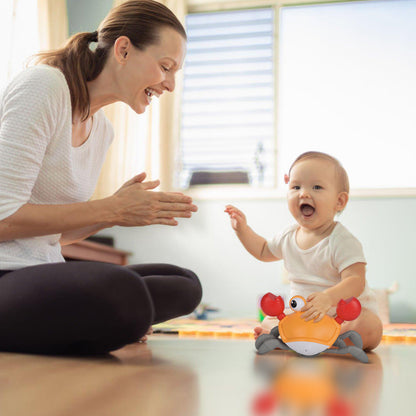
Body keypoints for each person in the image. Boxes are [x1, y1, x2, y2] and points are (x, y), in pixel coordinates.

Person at [0, 0, 202, 355]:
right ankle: (106, 320)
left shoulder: (102, 131)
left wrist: (118, 212)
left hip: (41, 272)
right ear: (123, 49)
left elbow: (56, 236)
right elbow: (3, 219)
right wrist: (110, 209)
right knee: (121, 291)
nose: (170, 84)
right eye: (165, 67)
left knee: (184, 284)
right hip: (6, 275)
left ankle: (100, 321)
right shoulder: (44, 87)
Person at [225, 151, 382, 350]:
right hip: (303, 316)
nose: (304, 193)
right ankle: (302, 338)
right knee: (269, 320)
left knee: (370, 327)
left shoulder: (342, 240)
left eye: (316, 187)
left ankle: (325, 340)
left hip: (342, 317)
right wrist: (242, 230)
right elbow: (264, 251)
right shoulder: (288, 236)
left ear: (339, 201)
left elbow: (355, 280)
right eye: (296, 186)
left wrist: (328, 298)